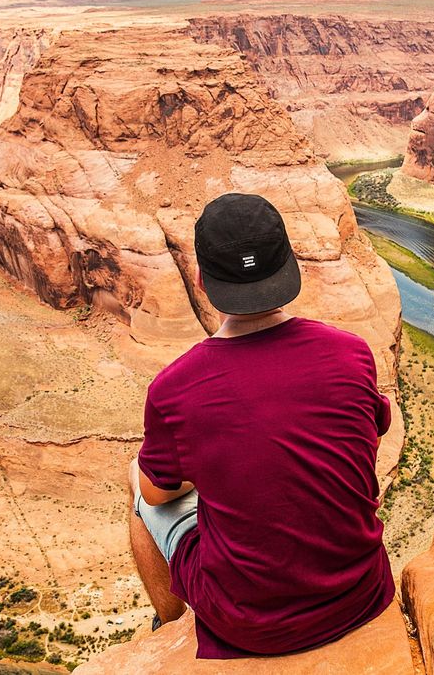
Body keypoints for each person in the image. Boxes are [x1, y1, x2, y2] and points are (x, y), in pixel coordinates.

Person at [128, 192, 394, 659]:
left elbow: (158, 495)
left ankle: (169, 626)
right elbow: (370, 434)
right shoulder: (351, 352)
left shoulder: (176, 389)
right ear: (290, 264)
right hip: (362, 594)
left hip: (253, 627)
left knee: (137, 484)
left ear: (201, 280)